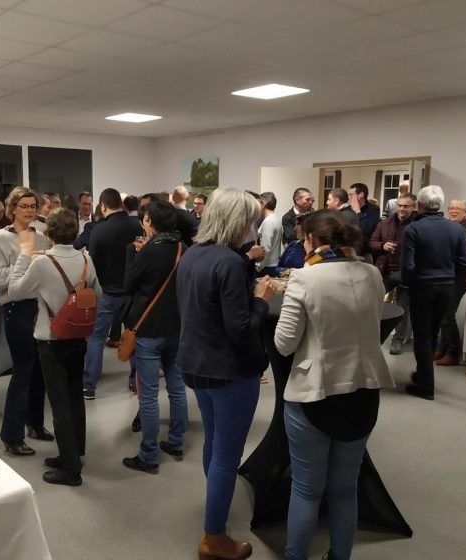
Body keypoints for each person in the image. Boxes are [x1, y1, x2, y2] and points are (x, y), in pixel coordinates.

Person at [274, 209, 395, 560]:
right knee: (345, 489)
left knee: (307, 490)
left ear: (312, 239)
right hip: (362, 391)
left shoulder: (305, 277)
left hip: (316, 392)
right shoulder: (372, 274)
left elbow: (284, 343)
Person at [176, 187, 279, 560]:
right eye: (250, 220)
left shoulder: (192, 255)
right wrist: (260, 300)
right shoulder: (230, 263)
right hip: (229, 369)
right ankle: (214, 535)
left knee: (214, 443)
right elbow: (240, 327)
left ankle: (215, 506)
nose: (253, 226)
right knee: (226, 454)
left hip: (196, 363)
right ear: (238, 221)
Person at [6, 208, 101, 486]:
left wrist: (25, 255)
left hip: (51, 339)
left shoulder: (43, 262)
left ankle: (70, 470)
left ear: (48, 236)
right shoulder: (86, 258)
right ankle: (74, 452)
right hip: (77, 337)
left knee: (58, 403)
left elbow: (15, 290)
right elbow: (98, 293)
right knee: (74, 398)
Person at [0, 187, 53, 454]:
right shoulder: (0, 238)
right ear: (12, 208)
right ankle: (11, 436)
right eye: (23, 206)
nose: (29, 210)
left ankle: (35, 423)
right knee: (23, 370)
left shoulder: (43, 236)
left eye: (33, 206)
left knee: (41, 372)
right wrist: (26, 262)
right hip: (16, 308)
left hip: (41, 306)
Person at [122, 200, 188, 473]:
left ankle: (149, 455)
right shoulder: (184, 248)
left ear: (150, 222)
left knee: (147, 394)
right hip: (177, 327)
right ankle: (175, 442)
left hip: (148, 328)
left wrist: (136, 255)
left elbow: (129, 284)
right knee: (177, 387)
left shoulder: (150, 250)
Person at [401, 185, 466, 400]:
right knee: (432, 333)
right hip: (447, 288)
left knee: (421, 337)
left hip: (422, 288)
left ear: (419, 206)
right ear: (440, 204)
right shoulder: (457, 230)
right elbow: (464, 263)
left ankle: (425, 386)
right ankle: (423, 377)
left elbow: (409, 266)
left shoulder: (413, 229)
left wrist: (407, 283)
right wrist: (453, 280)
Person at [83, 188, 144, 399]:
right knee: (132, 335)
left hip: (107, 292)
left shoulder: (99, 230)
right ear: (122, 203)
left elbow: (93, 263)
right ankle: (135, 383)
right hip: (133, 292)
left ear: (102, 206)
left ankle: (89, 385)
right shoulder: (138, 226)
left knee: (97, 338)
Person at [369, 192, 417, 355]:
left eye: (406, 206)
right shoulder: (385, 223)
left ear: (414, 207)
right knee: (374, 304)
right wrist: (382, 246)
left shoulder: (417, 225)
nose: (402, 209)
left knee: (403, 308)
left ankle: (398, 340)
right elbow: (372, 242)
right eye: (400, 205)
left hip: (405, 273)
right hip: (384, 271)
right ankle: (373, 337)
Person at [434, 199, 466, 366]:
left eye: (457, 208)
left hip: (458, 279)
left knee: (447, 316)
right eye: (451, 208)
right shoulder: (449, 228)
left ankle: (453, 353)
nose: (453, 211)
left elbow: (463, 258)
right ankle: (441, 348)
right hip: (446, 277)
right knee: (442, 314)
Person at [347, 183, 380, 256]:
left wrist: (358, 212)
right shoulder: (348, 209)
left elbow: (367, 229)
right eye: (348, 195)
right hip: (349, 249)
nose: (348, 197)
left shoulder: (373, 209)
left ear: (361, 194)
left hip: (365, 251)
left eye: (351, 195)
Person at [256, 192, 283, 277]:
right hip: (273, 264)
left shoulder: (268, 221)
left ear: (263, 204)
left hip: (267, 267)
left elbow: (266, 248)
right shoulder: (276, 218)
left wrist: (259, 266)